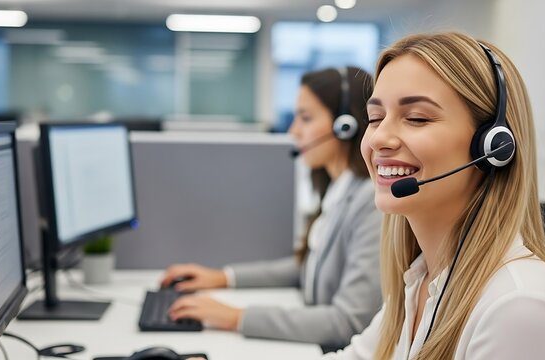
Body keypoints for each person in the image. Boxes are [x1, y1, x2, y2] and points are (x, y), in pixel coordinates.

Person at [323, 31, 545, 360]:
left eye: (416, 118)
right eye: (375, 118)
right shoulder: (422, 281)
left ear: (494, 146)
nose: (380, 138)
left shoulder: (519, 310)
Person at [161, 66, 383, 350]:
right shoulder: (338, 191)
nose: (293, 130)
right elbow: (306, 268)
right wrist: (224, 277)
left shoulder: (370, 203)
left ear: (345, 125)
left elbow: (348, 321)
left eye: (305, 118)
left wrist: (237, 317)